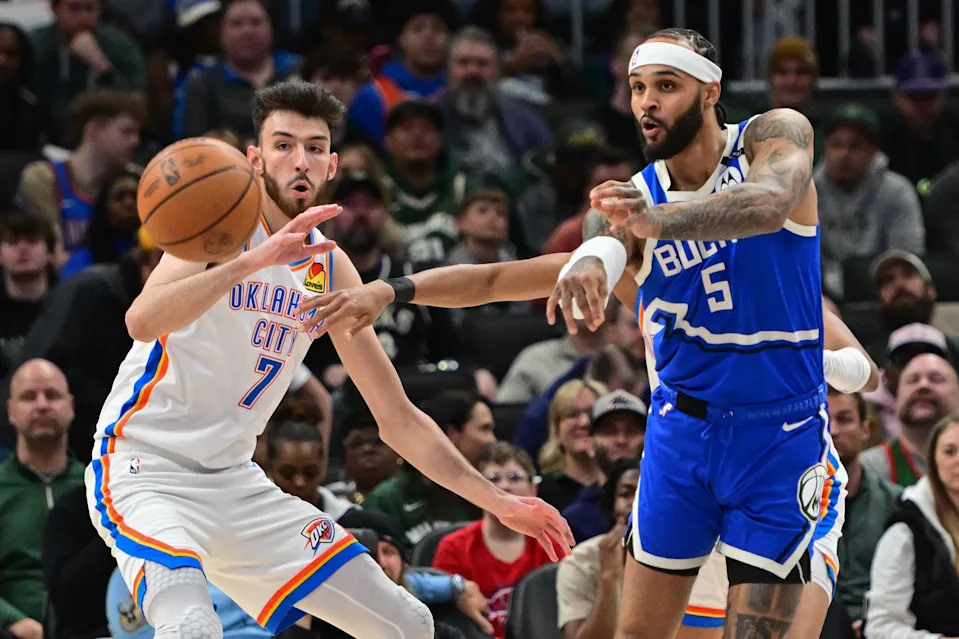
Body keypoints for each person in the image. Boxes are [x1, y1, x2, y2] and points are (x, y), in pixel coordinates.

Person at [297, 31, 883, 639]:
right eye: (636, 88)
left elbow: (768, 203)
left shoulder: (773, 137)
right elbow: (508, 274)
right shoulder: (628, 202)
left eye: (666, 85)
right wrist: (396, 289)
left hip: (777, 436)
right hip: (683, 437)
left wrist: (655, 225)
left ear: (710, 91)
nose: (647, 102)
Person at [84, 79, 572, 639]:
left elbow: (397, 418)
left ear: (331, 165)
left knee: (407, 624)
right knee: (192, 625)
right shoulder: (216, 230)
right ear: (253, 158)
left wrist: (499, 501)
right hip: (145, 468)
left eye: (314, 147)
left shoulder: (328, 268)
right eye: (283, 144)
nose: (299, 159)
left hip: (235, 482)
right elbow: (142, 321)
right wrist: (254, 259)